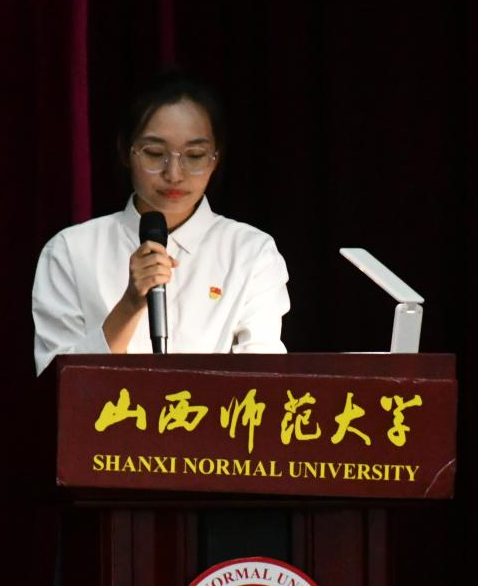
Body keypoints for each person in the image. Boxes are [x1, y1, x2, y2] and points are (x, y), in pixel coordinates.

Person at [32, 71, 290, 375]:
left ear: (215, 159)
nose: (174, 174)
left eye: (194, 156)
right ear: (126, 152)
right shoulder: (71, 250)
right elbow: (56, 382)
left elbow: (264, 378)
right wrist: (129, 305)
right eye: (155, 154)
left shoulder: (250, 251)